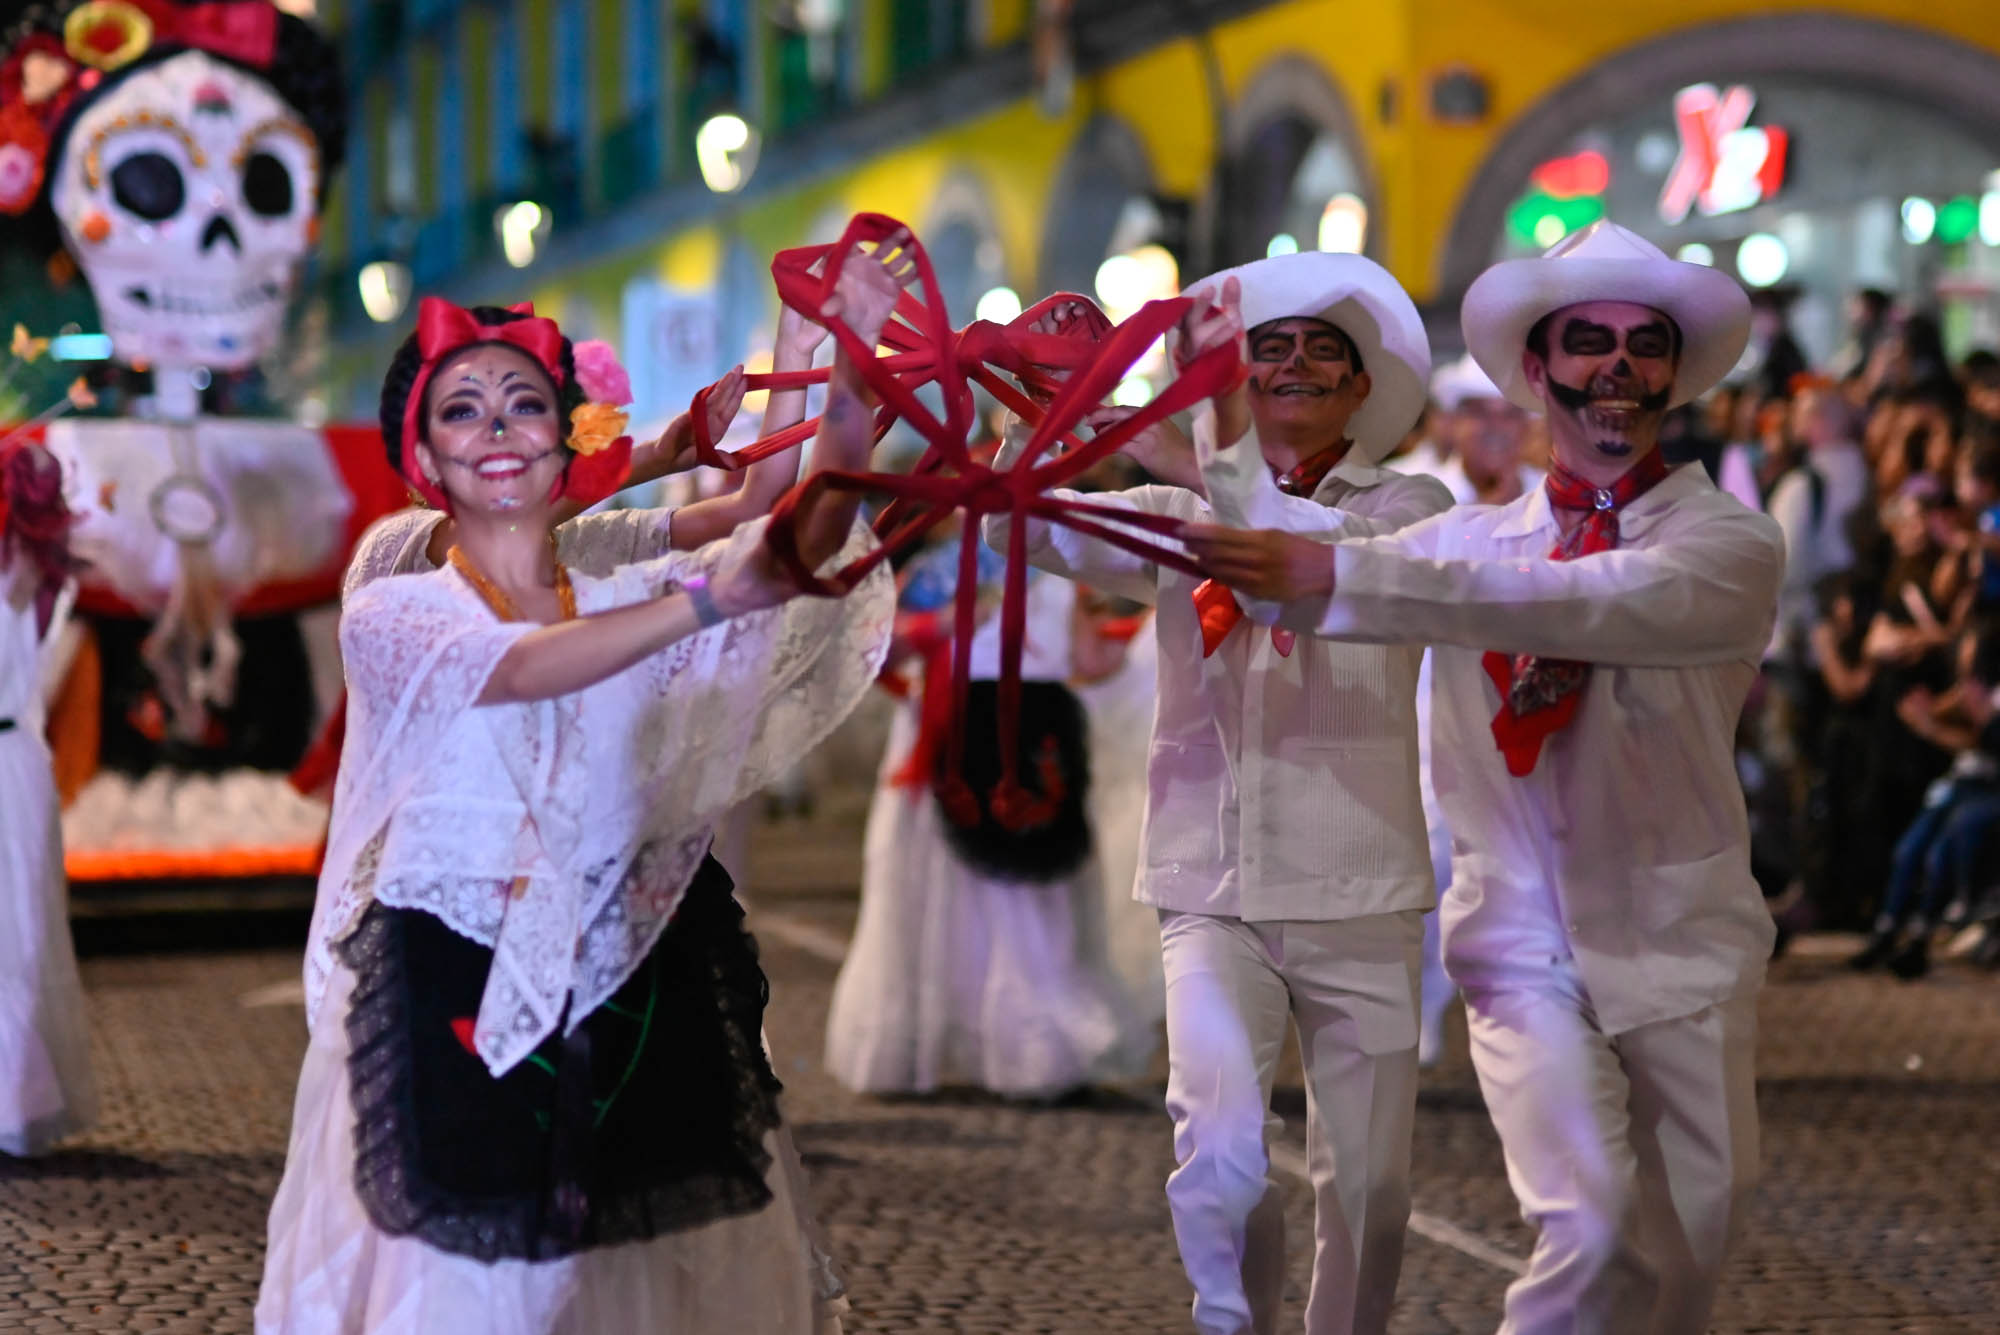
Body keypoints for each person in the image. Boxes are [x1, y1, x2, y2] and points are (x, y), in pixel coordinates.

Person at [253, 237, 914, 1335]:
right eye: (462, 410)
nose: (499, 429)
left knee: (610, 1285)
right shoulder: (393, 599)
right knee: (485, 1289)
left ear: (563, 440)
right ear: (420, 455)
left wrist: (839, 361)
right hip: (449, 984)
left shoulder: (619, 577)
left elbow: (789, 528)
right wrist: (712, 598)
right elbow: (520, 667)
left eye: (523, 404)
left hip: (625, 979)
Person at [1183, 221, 1783, 1335]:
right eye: (1587, 341)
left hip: (1681, 936)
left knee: (1690, 1247)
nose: (1616, 366)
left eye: (1641, 345)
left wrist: (1339, 577)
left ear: (1670, 372)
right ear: (1539, 369)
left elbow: (1597, 604)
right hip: (1516, 942)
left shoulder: (1725, 544)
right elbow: (1286, 551)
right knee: (1592, 1228)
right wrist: (1165, 456)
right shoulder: (1467, 541)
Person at [989, 251, 1451, 1335]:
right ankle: (1225, 1322)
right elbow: (1020, 525)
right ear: (1235, 386)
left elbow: (1305, 560)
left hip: (1362, 883)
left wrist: (1199, 465)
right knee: (1219, 1156)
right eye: (1268, 351)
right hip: (1208, 882)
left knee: (1373, 1195)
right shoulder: (1170, 503)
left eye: (1318, 351)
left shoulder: (1409, 507)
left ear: (1358, 386)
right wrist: (1034, 409)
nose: (1291, 365)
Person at [824, 533, 1150, 1099]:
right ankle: (1030, 1051)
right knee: (1017, 904)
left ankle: (1023, 1047)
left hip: (1013, 743)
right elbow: (1091, 660)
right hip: (982, 742)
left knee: (992, 901)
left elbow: (875, 649)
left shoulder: (954, 571)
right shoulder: (1039, 570)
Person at [0, 438, 98, 1158]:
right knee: (21, 938)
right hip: (17, 761)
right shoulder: (39, 571)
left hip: (12, 759)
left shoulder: (27, 572)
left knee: (19, 938)